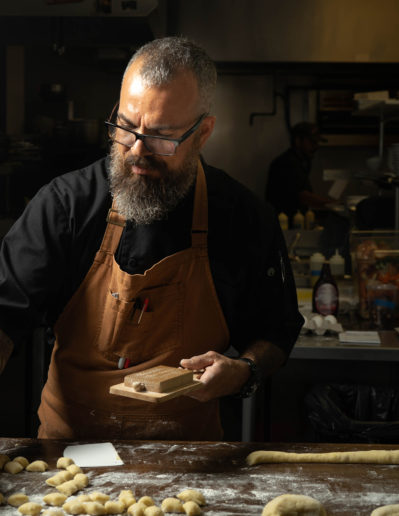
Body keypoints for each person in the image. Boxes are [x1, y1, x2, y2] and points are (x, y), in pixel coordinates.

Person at [0, 37, 303, 440]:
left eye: (162, 136)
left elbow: (276, 331)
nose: (136, 151)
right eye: (125, 126)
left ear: (203, 132)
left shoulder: (243, 218)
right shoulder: (66, 207)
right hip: (69, 457)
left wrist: (243, 371)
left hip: (187, 460)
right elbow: (3, 316)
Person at [265, 122, 335, 224]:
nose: (315, 146)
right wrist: (334, 204)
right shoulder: (287, 163)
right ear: (298, 141)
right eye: (312, 142)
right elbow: (304, 196)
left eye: (316, 143)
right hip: (284, 223)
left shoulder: (301, 162)